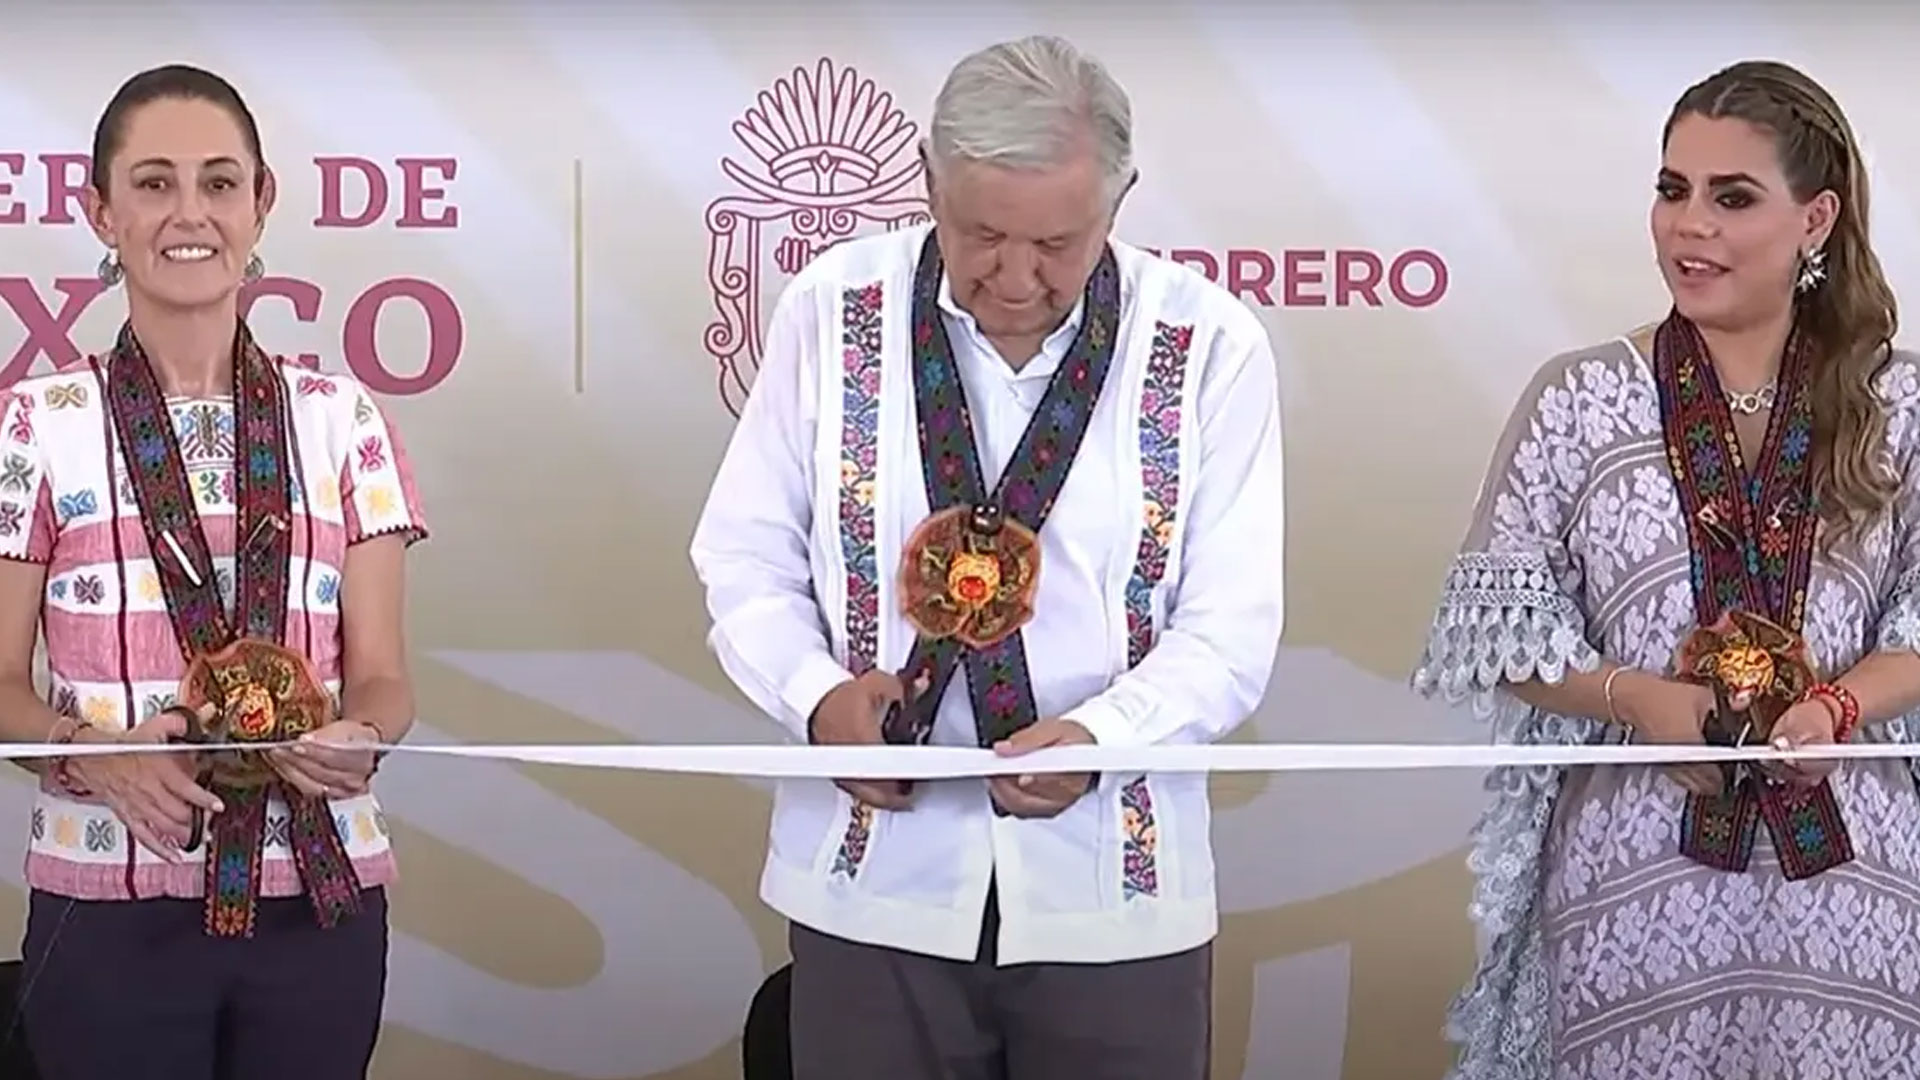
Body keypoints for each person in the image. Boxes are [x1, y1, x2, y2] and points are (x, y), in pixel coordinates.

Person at [690, 34, 1284, 1080]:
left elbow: (1230, 629)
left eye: (1058, 242)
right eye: (980, 234)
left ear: (1120, 198)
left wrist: (1102, 734)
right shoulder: (834, 311)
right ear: (926, 180)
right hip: (872, 886)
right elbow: (743, 560)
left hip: (1117, 898)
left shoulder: (1208, 345)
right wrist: (821, 699)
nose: (1015, 276)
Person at [1413, 59, 1920, 1077]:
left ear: (1815, 221)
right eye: (1672, 190)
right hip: (1632, 871)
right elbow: (1496, 628)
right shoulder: (1579, 397)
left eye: (1732, 198)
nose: (1690, 225)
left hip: (1850, 877)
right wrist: (1640, 699)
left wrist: (1833, 711)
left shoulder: (1899, 406)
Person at [0, 64, 428, 1079]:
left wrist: (360, 735)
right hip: (109, 906)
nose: (188, 213)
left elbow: (384, 680)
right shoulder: (35, 426)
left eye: (218, 182)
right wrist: (88, 747)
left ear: (261, 201)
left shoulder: (343, 420)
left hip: (319, 906)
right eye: (152, 184)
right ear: (99, 210)